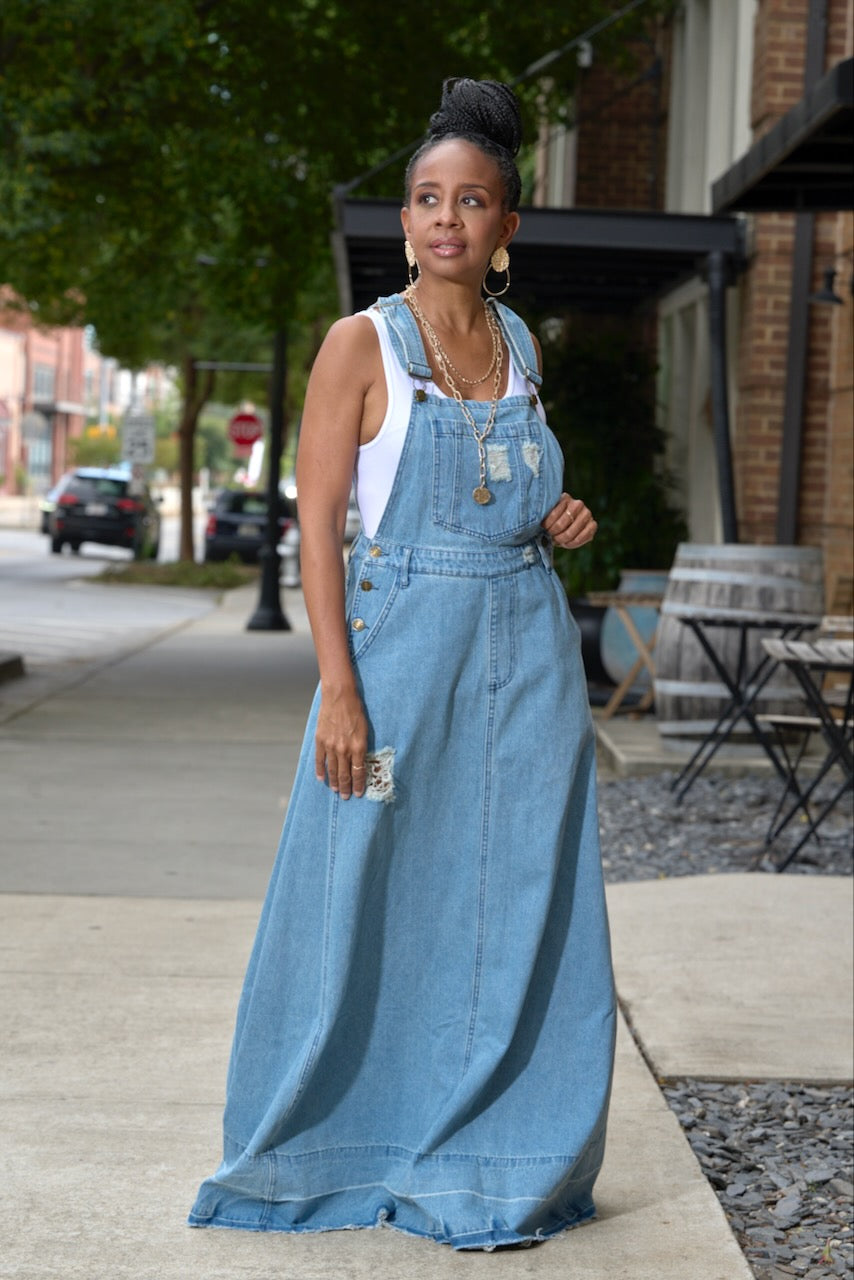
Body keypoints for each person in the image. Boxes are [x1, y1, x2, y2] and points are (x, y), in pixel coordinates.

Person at [189, 77, 616, 1252]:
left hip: (526, 668)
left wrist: (558, 513)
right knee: (362, 881)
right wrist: (337, 685)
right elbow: (319, 519)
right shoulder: (358, 343)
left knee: (510, 900)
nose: (442, 219)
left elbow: (511, 500)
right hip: (393, 673)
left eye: (468, 200)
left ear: (503, 228)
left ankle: (496, 1145)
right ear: (406, 220)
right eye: (425, 198)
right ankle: (333, 1140)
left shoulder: (521, 343)